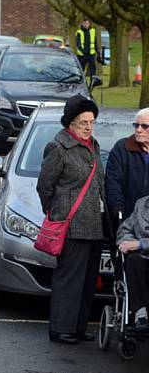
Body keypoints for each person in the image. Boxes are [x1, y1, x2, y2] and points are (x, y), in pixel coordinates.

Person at [36, 95, 105, 345]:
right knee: (69, 280)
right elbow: (45, 185)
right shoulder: (58, 147)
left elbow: (99, 182)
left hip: (95, 225)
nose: (88, 127)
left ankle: (77, 327)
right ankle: (60, 328)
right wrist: (56, 212)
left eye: (91, 122)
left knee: (88, 282)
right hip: (71, 224)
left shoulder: (93, 146)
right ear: (70, 123)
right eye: (83, 122)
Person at [106, 108, 149, 223]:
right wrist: (117, 209)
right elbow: (113, 181)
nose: (139, 130)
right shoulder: (122, 148)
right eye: (136, 125)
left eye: (145, 126)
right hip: (127, 220)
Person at [116, 195, 149, 332]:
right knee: (132, 260)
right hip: (143, 259)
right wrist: (127, 242)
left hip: (143, 249)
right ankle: (141, 314)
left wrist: (140, 244)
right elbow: (124, 230)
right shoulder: (141, 204)